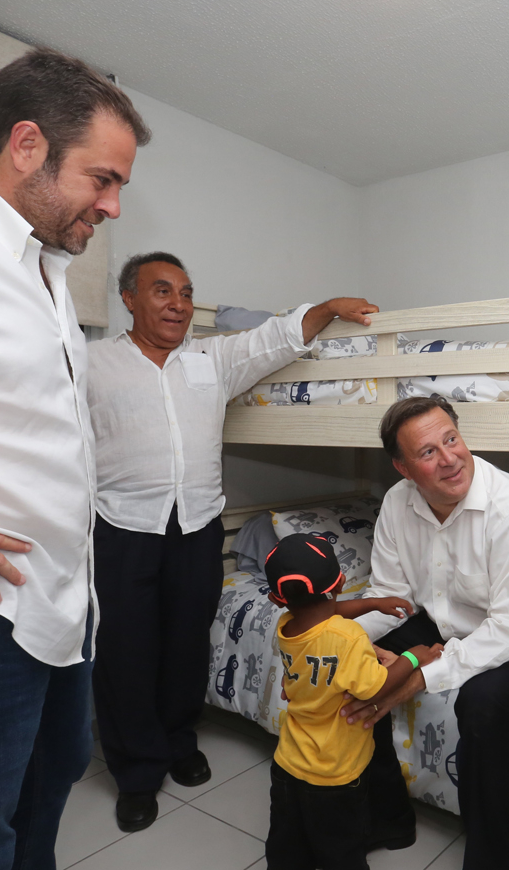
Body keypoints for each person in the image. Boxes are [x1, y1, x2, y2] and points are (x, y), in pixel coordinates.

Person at [0, 48, 150, 869]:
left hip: (62, 607)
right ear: (26, 145)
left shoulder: (45, 271)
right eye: (102, 179)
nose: (113, 205)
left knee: (46, 799)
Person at [87, 251, 380, 831]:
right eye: (163, 291)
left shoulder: (209, 359)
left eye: (186, 293)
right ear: (129, 298)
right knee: (125, 653)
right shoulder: (92, 363)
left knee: (186, 645)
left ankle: (178, 741)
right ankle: (137, 771)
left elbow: (272, 339)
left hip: (196, 527)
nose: (178, 304)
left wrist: (325, 308)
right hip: (124, 528)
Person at [338, 395, 509, 870]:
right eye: (428, 452)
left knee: (482, 704)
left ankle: (488, 859)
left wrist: (417, 675)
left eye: (452, 439)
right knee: (355, 661)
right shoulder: (397, 502)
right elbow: (392, 595)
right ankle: (388, 818)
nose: (450, 459)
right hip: (448, 622)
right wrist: (346, 641)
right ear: (403, 468)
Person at [263, 532, 441, 870]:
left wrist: (373, 604)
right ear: (342, 582)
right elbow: (376, 688)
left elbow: (325, 612)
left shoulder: (286, 626)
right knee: (341, 849)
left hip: (288, 762)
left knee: (288, 845)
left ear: (276, 598)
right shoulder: (349, 639)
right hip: (335, 774)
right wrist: (413, 657)